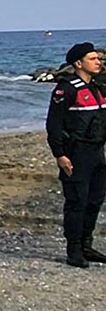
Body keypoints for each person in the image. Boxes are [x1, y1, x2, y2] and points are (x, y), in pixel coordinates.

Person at [46, 42, 106, 268]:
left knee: (95, 200)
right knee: (76, 202)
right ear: (78, 63)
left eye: (98, 58)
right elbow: (54, 124)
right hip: (76, 154)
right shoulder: (66, 89)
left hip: (97, 153)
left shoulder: (98, 87)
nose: (98, 62)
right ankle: (73, 251)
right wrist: (59, 154)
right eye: (93, 59)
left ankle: (86, 245)